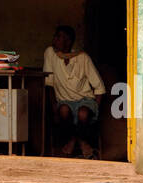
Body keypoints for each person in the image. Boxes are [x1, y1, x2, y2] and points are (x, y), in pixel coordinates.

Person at [43, 25, 105, 157]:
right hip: (64, 101)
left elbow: (99, 87)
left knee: (83, 113)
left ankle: (73, 141)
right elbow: (49, 84)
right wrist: (54, 109)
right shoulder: (50, 53)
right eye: (56, 37)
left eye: (59, 37)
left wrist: (96, 110)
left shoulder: (82, 58)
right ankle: (82, 142)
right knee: (64, 111)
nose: (55, 40)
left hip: (85, 101)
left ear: (68, 41)